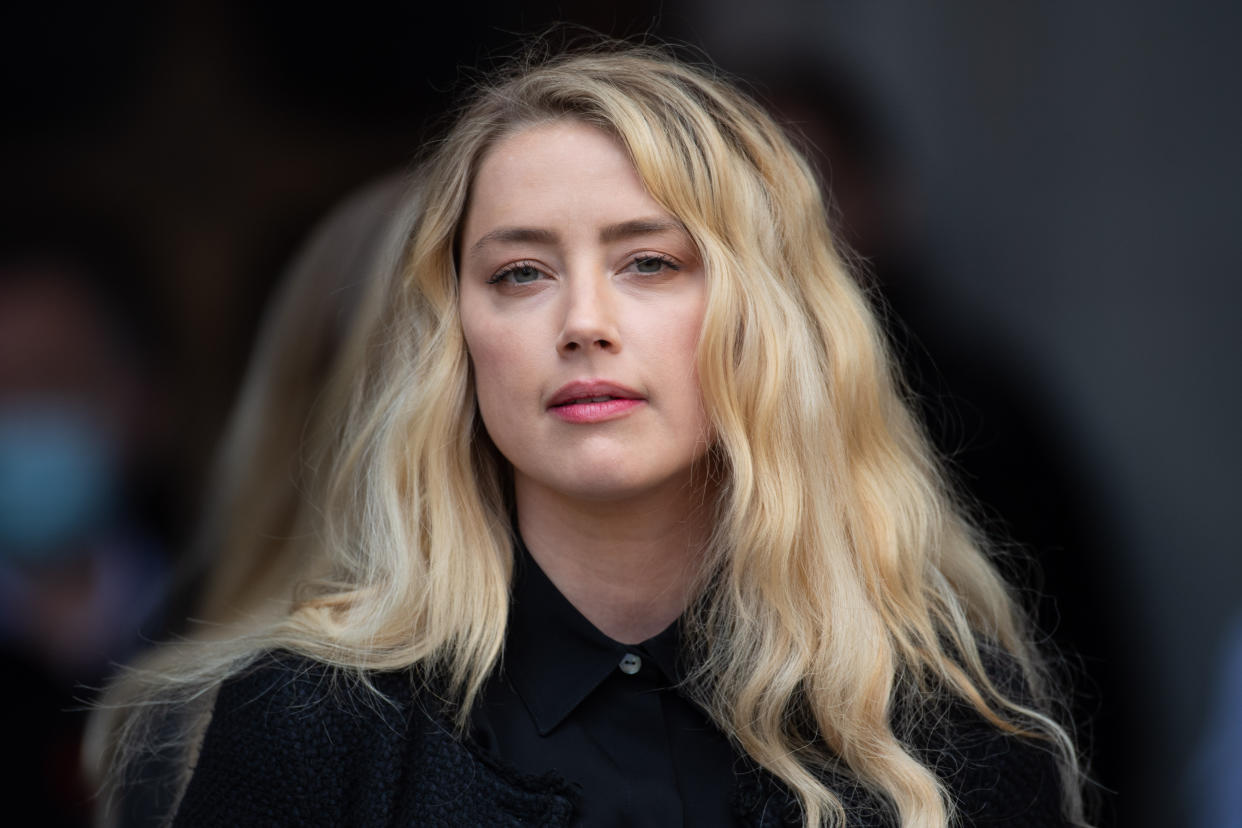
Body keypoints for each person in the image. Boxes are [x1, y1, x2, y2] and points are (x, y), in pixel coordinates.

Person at [92, 42, 1088, 827]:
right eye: (519, 273)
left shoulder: (947, 727)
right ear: (459, 338)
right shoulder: (308, 725)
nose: (582, 321)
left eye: (648, 262)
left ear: (766, 319)